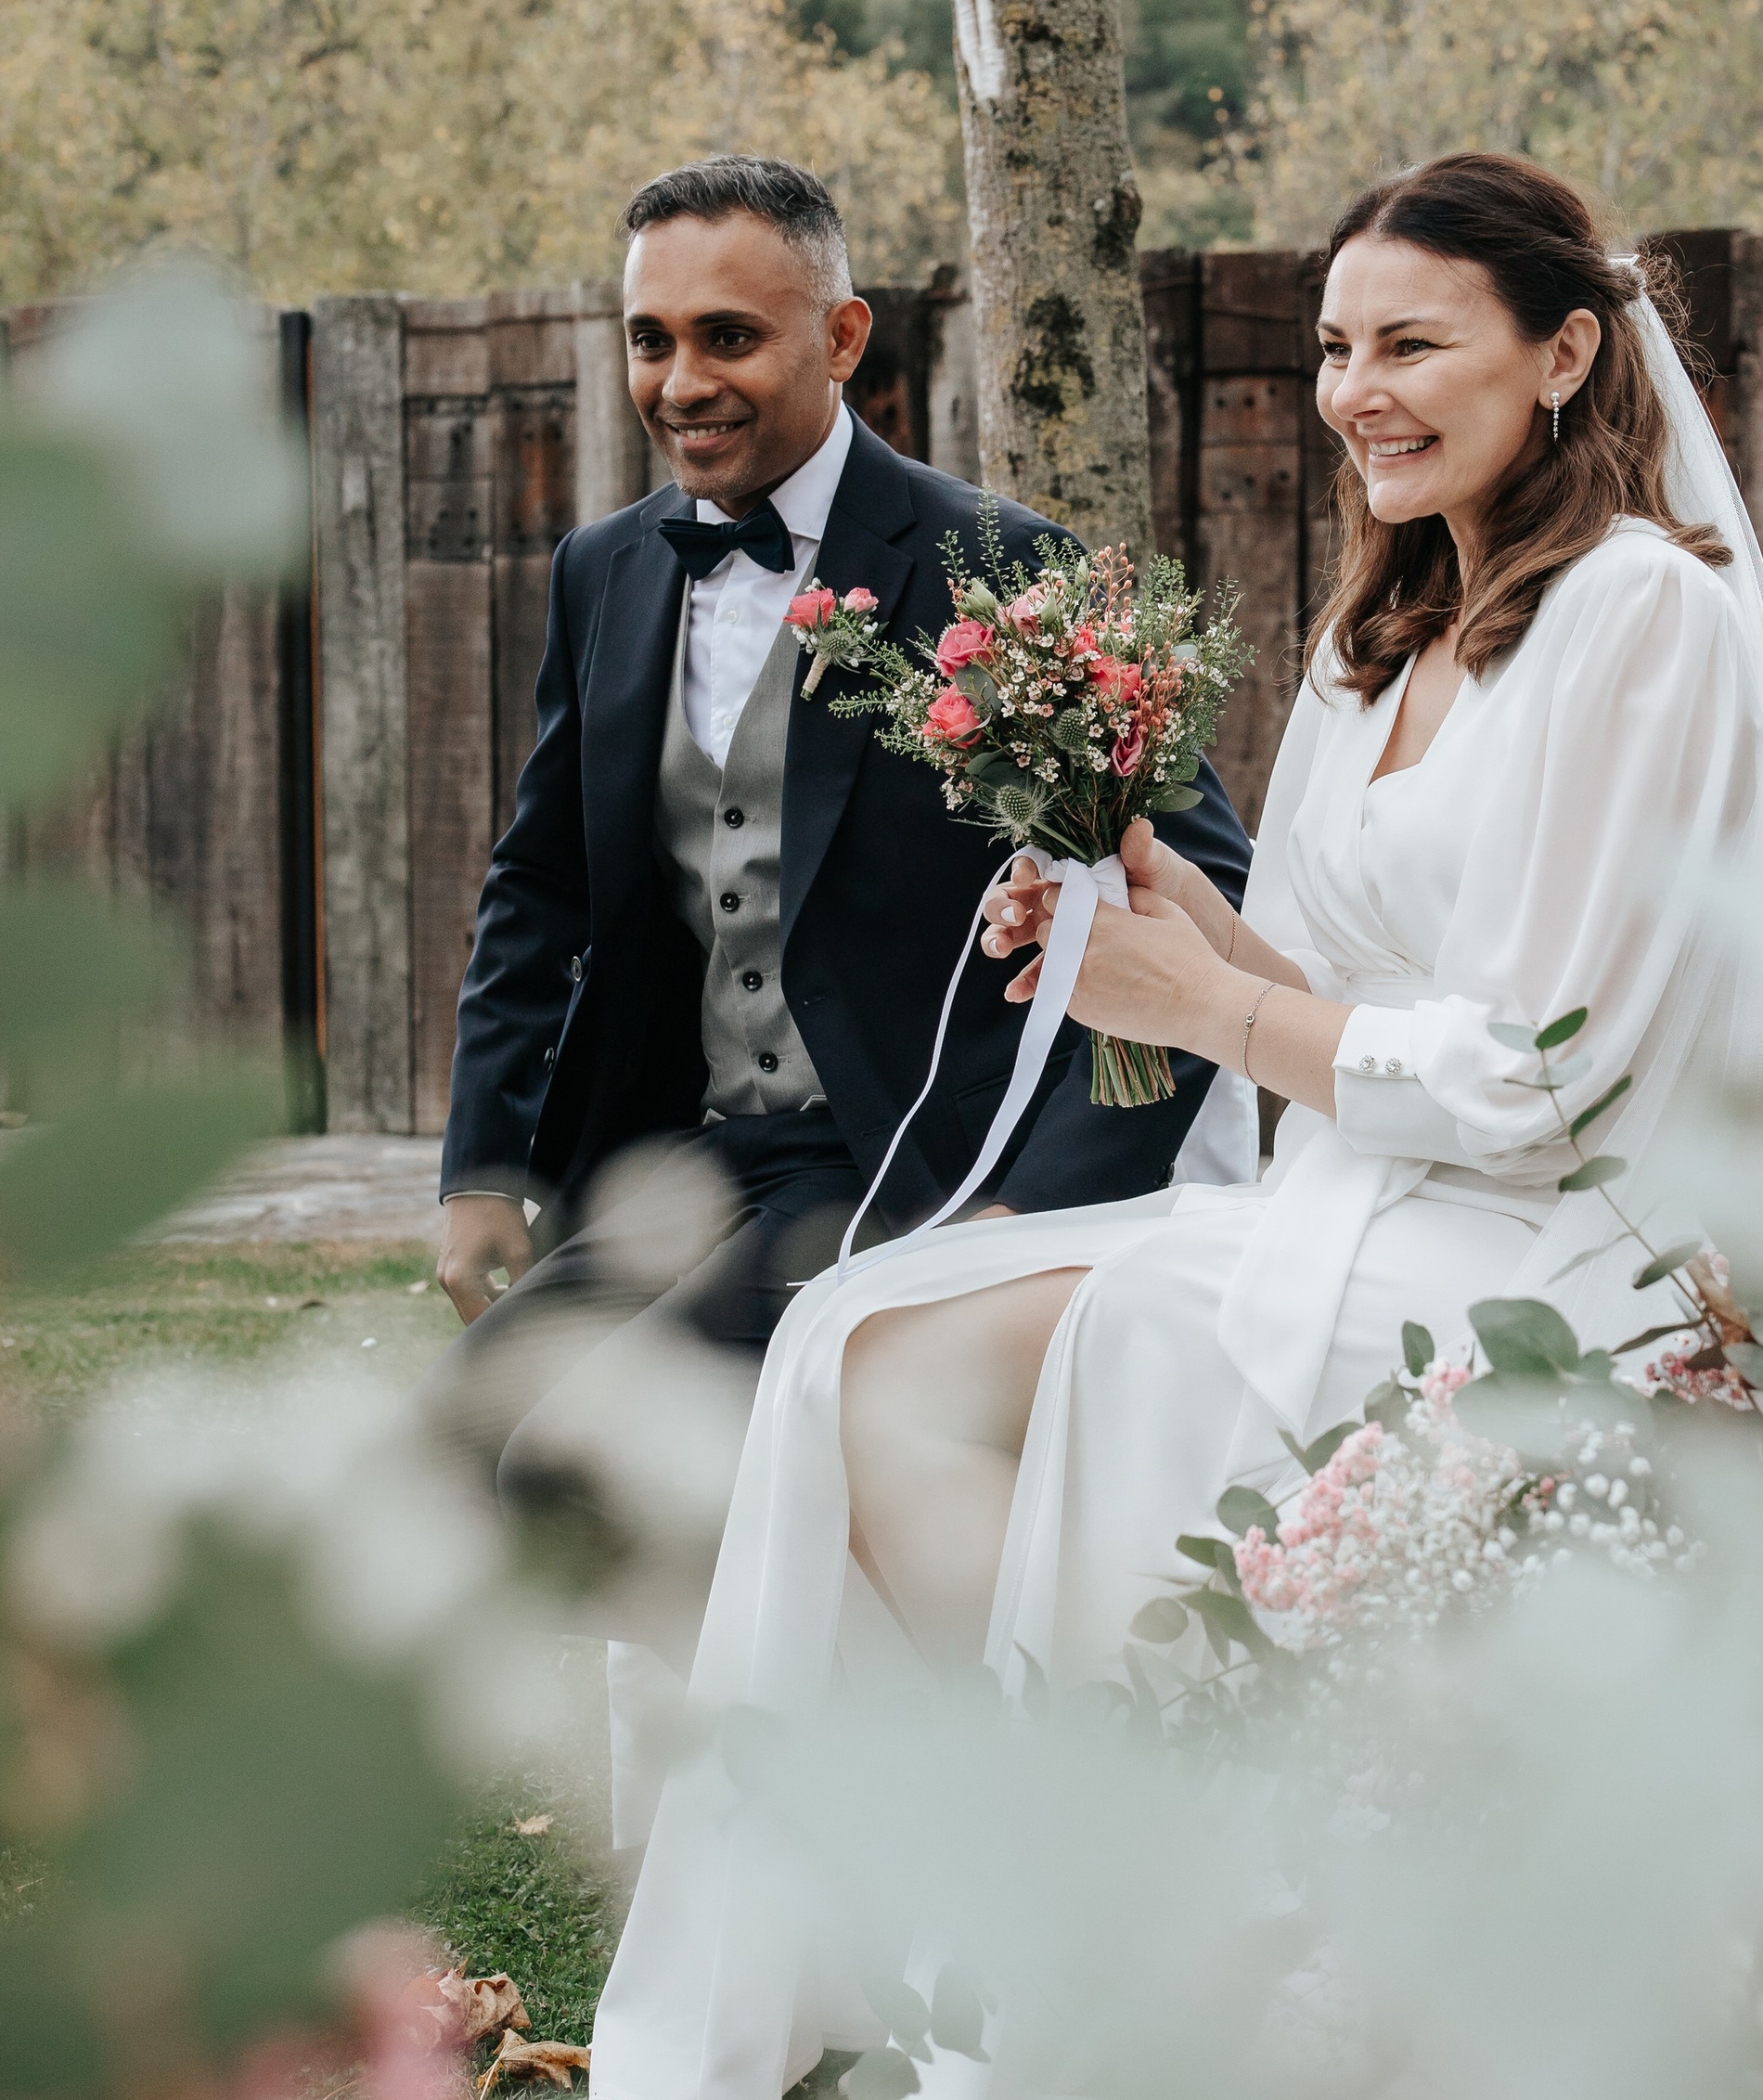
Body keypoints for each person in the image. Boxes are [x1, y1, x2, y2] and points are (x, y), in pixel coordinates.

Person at [589, 150, 1763, 2100]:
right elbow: (1335, 993)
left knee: (964, 1363)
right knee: (849, 1339)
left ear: (1562, 354)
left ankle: (1166, 1916)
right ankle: (1092, 1888)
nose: (1358, 392)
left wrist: (1205, 1009)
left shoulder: (1643, 614)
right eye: (1335, 348)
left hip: (1553, 1257)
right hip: (1368, 1203)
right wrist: (1143, 916)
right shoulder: (1388, 626)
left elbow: (1544, 1077)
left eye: (1411, 345)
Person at [431, 152, 1255, 1591]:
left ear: (844, 335)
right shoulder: (603, 570)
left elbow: (1193, 897)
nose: (682, 381)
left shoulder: (1002, 563)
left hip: (907, 1163)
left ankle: (857, 1694)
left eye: (728, 336)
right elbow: (540, 885)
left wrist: (1034, 1211)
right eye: (650, 339)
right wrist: (482, 1166)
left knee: (573, 1470)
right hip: (681, 1163)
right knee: (452, 1457)